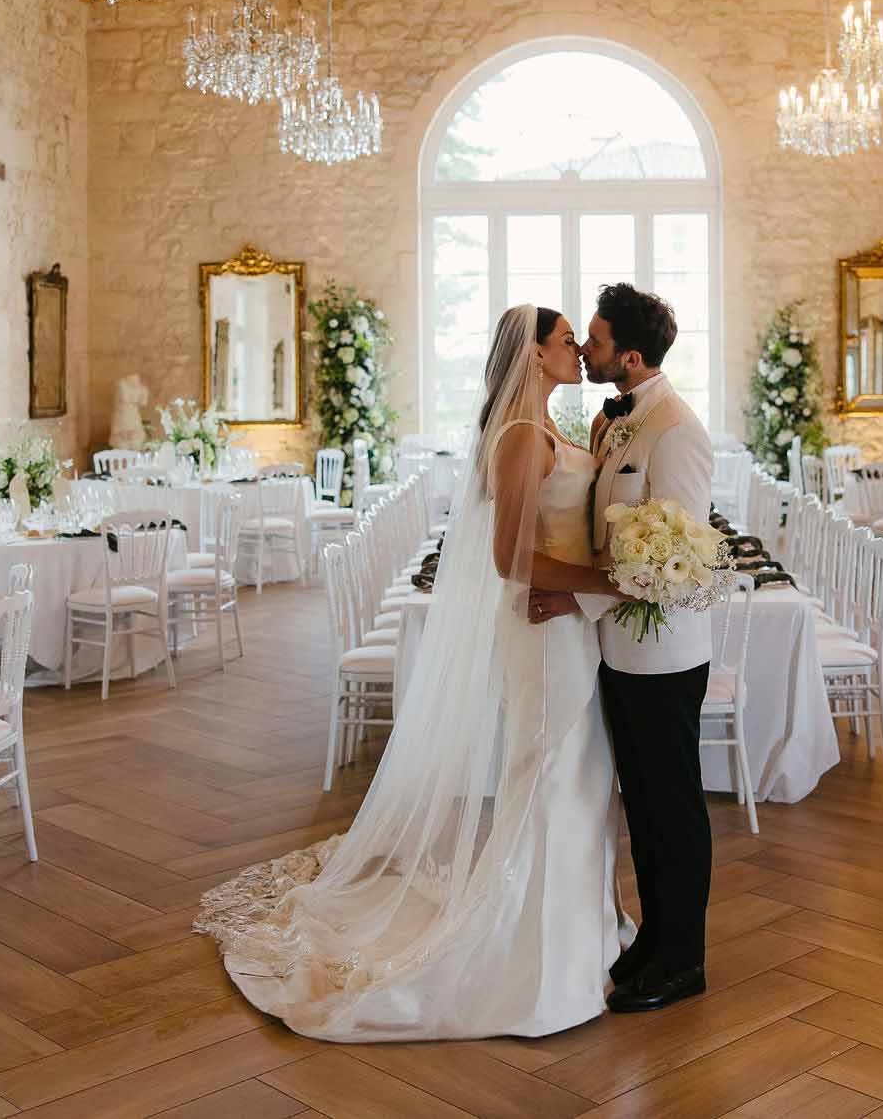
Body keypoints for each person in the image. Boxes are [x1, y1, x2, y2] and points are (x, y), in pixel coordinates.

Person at [194, 305, 629, 1040]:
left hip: (568, 626)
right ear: (533, 355)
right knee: (552, 777)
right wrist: (613, 578)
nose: (578, 352)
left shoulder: (552, 428)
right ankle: (537, 963)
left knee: (577, 776)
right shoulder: (522, 439)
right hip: (547, 632)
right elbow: (510, 559)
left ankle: (577, 936)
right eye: (564, 342)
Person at [533, 282, 716, 1014]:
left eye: (598, 342)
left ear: (631, 356)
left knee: (674, 810)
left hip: (667, 655)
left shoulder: (677, 431)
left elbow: (677, 561)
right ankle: (654, 940)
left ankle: (685, 958)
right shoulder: (617, 423)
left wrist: (575, 594)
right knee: (641, 805)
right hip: (618, 650)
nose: (587, 351)